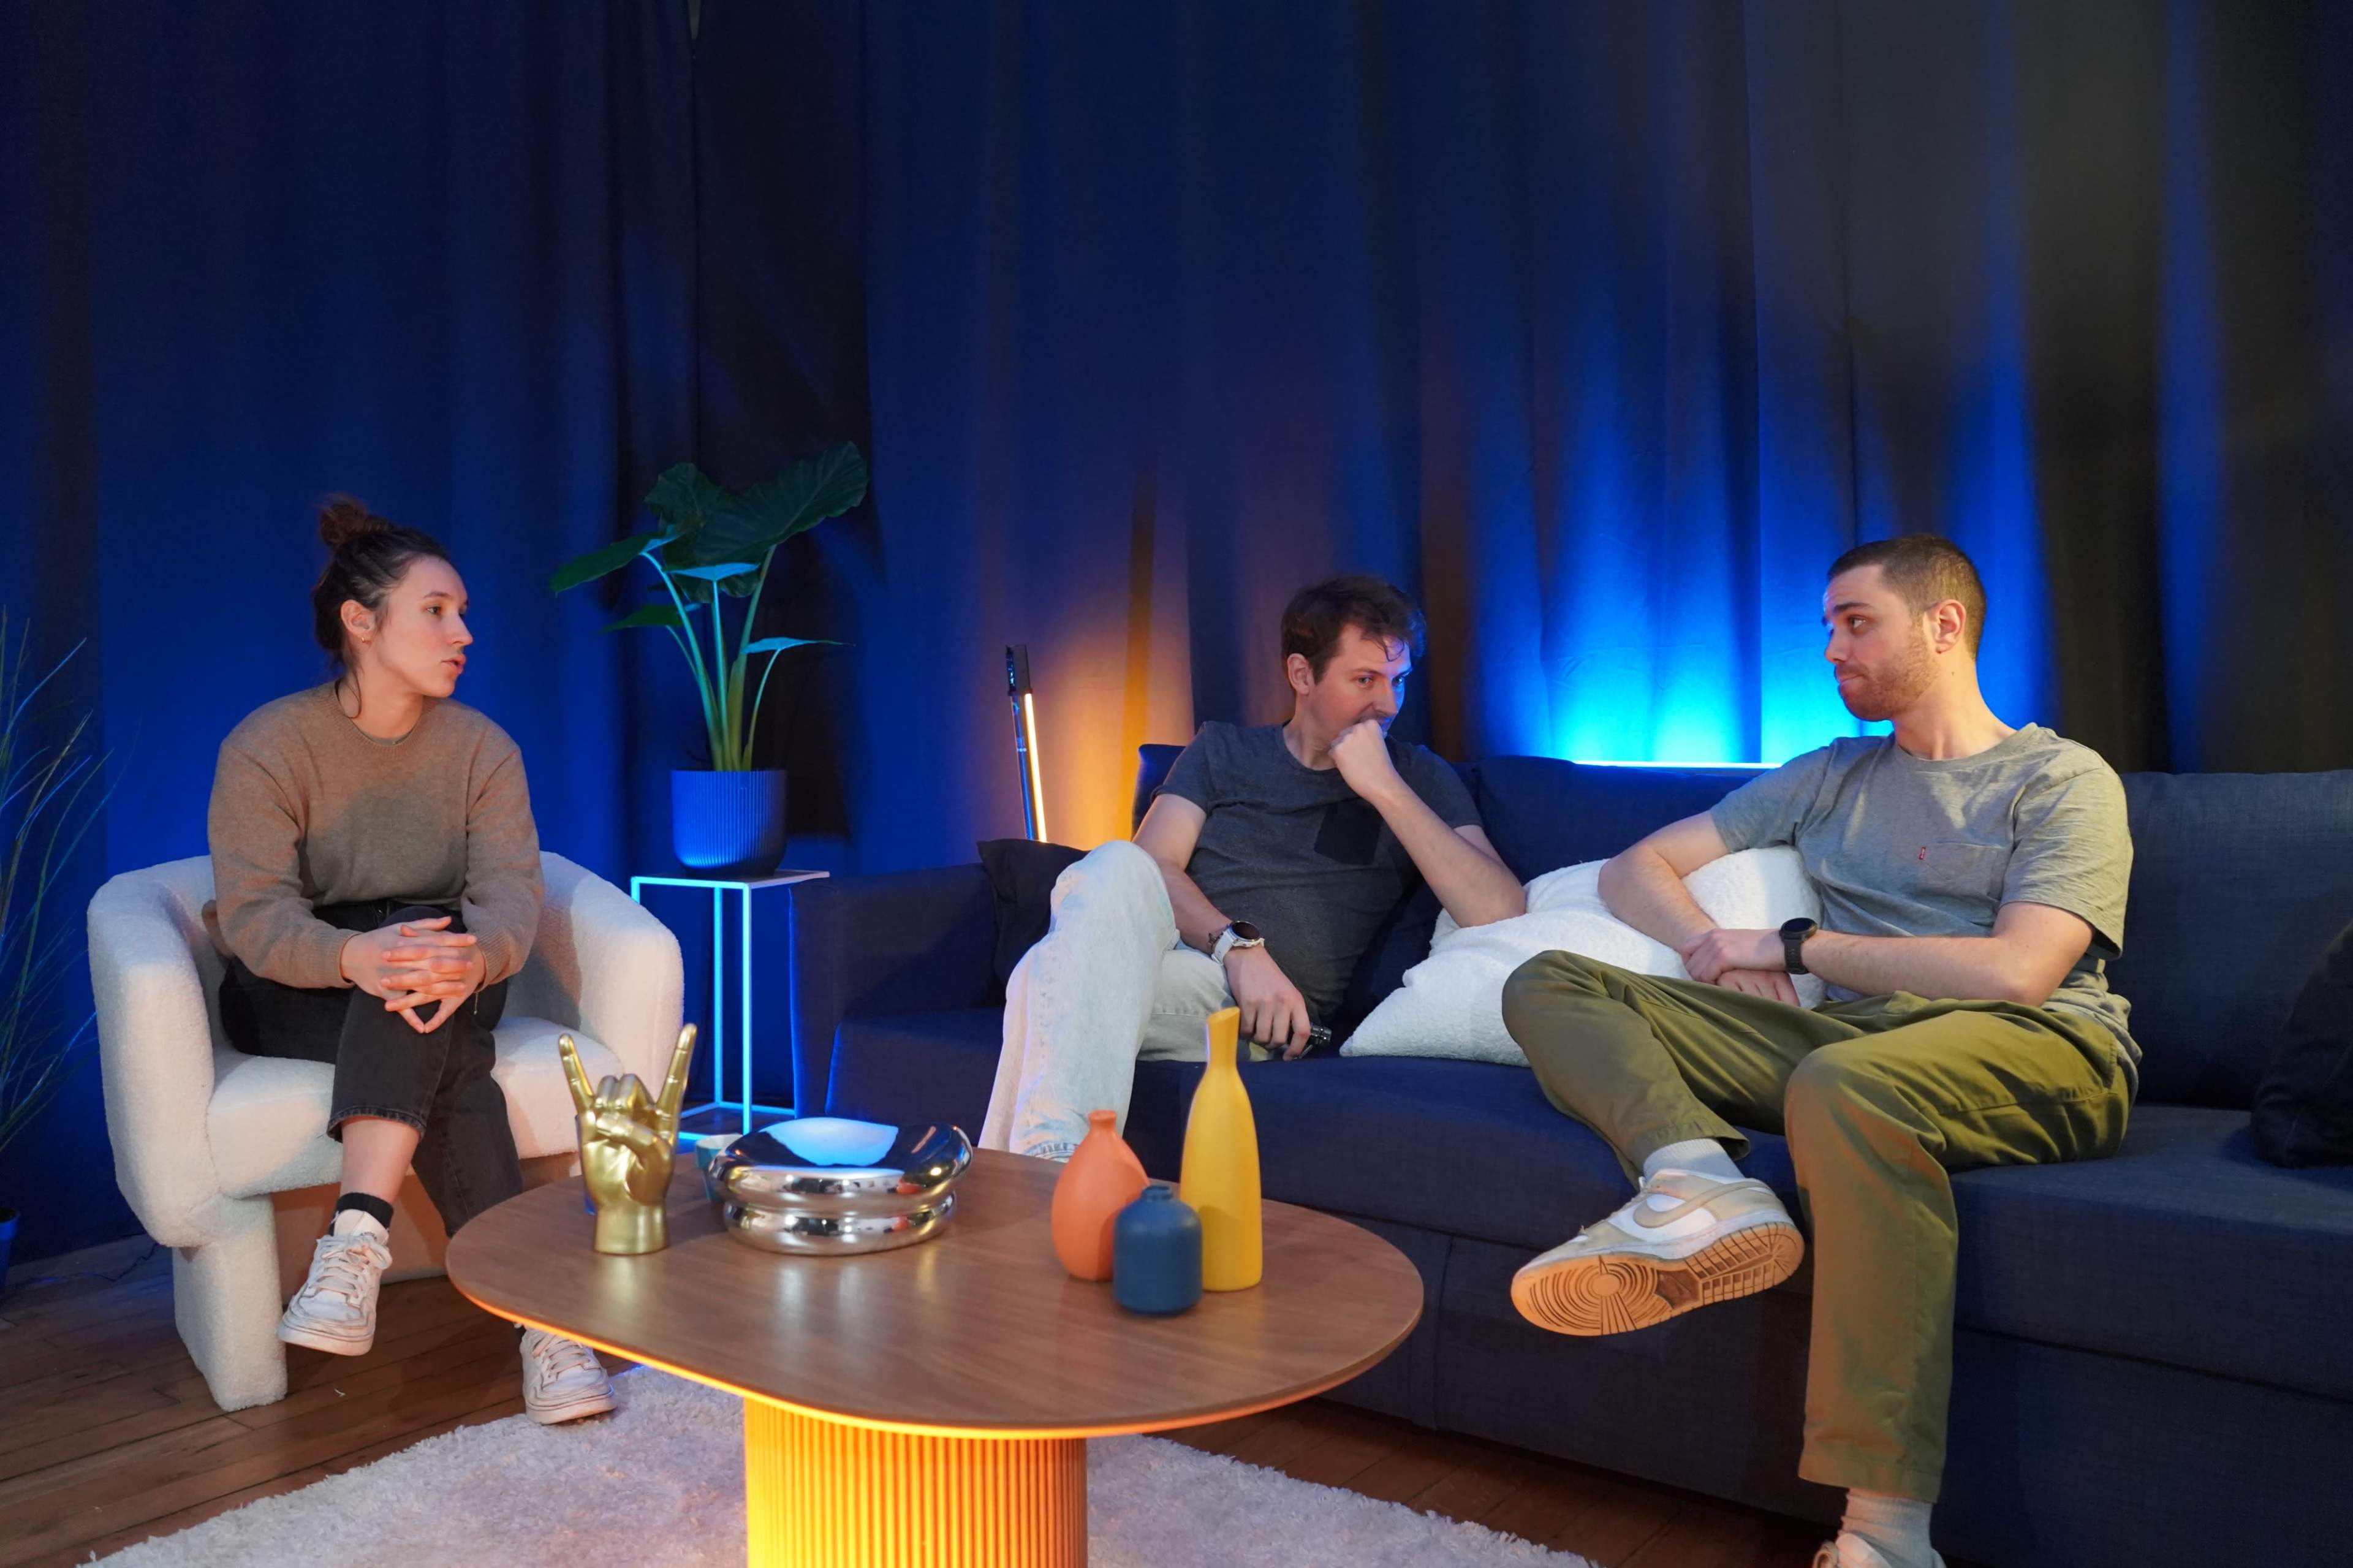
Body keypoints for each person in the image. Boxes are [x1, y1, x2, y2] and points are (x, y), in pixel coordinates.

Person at [1499, 536, 2134, 1568]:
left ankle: (1886, 1535)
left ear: (1944, 624)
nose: (1831, 648)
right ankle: (1699, 1180)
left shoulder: (2060, 777)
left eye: (1856, 622)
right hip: (1851, 1036)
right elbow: (1636, 866)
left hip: (2046, 1042)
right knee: (1549, 980)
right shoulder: (1834, 772)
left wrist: (1792, 946)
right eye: (1827, 627)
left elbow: (2023, 968)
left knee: (1839, 1080)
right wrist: (1711, 947)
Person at [206, 498, 615, 1425]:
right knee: (448, 1050)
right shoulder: (270, 745)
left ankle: (354, 1246)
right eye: (435, 609)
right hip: (303, 976)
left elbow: (513, 892)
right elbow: (257, 912)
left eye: (463, 611)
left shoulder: (481, 748)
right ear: (361, 619)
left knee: (429, 957)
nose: (463, 631)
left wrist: (469, 960)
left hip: (448, 965)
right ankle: (548, 1323)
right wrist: (359, 954)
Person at [982, 575, 1528, 1157]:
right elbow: (1154, 867)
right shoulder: (1223, 751)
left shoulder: (1418, 777)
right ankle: (1049, 1174)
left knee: (1041, 976)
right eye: (1364, 679)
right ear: (1302, 675)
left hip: (1266, 1015)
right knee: (1116, 861)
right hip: (1181, 954)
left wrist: (1385, 789)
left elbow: (1500, 908)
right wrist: (1238, 948)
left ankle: (1044, 1177)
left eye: (1399, 681)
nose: (1389, 704)